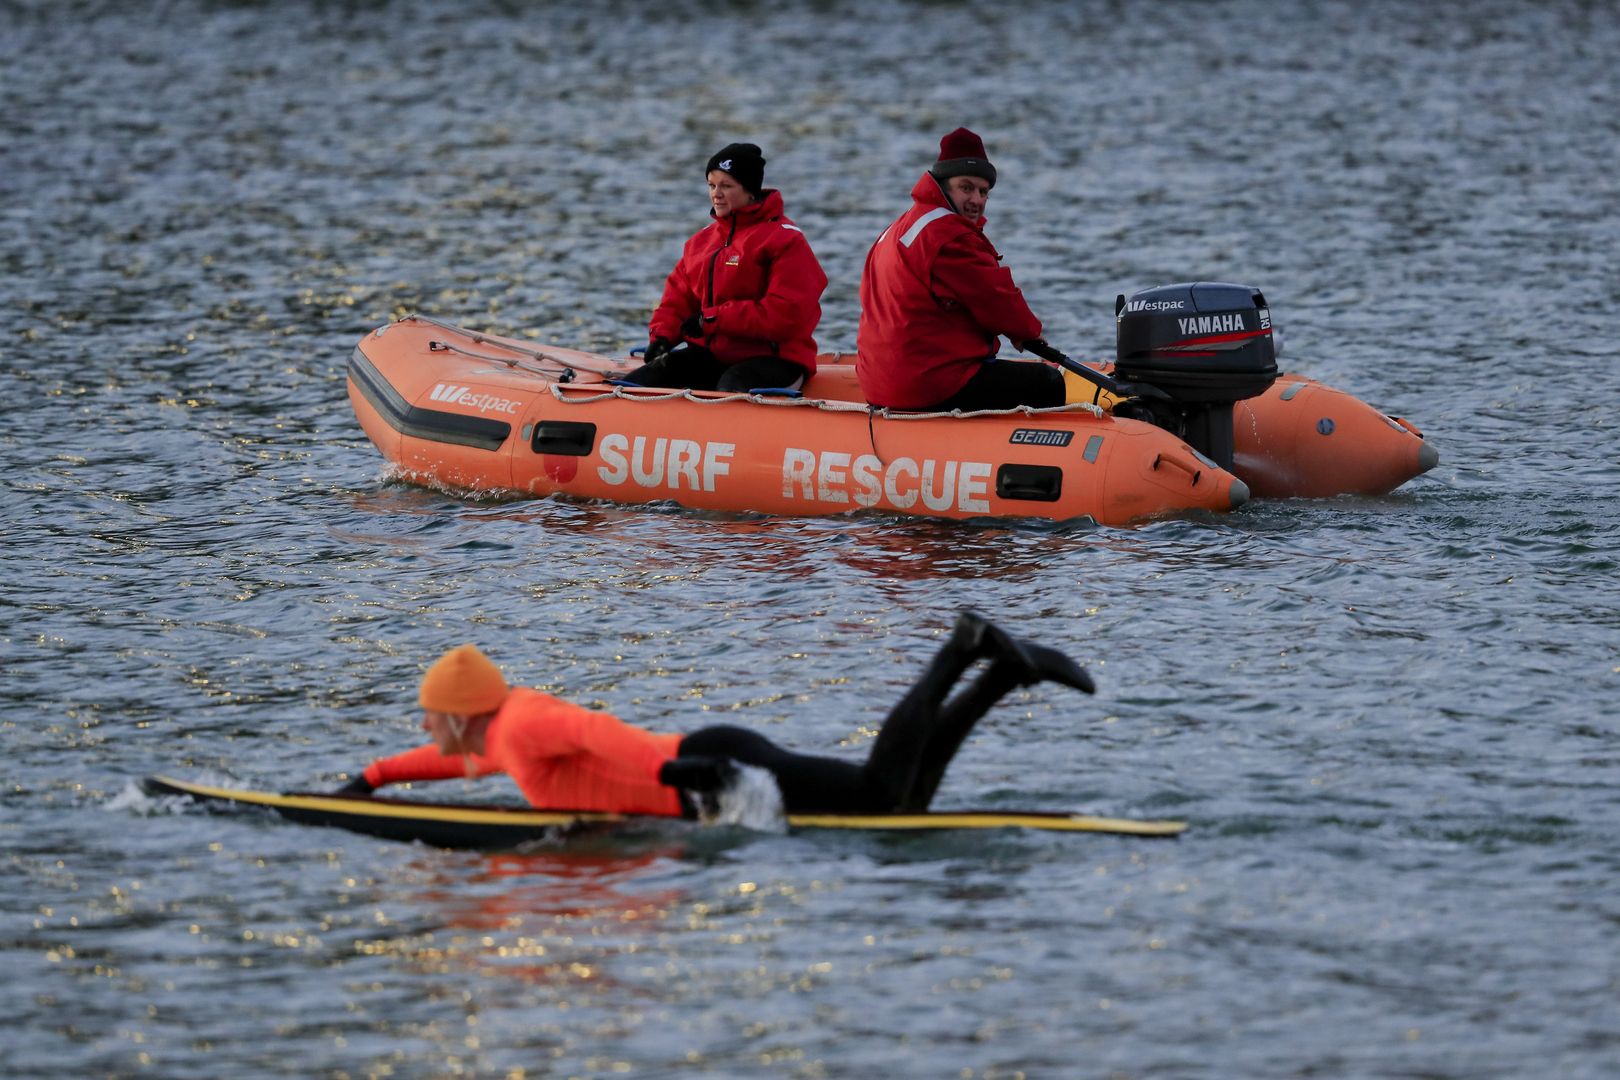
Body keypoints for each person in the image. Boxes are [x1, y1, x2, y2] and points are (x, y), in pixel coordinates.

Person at [336, 612, 1094, 817]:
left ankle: (962, 650)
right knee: (906, 801)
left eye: (431, 716)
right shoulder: (494, 736)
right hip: (700, 768)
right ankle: (998, 678)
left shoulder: (525, 723)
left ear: (462, 713)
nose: (426, 729)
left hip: (712, 764)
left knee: (876, 791)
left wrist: (675, 770)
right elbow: (445, 763)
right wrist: (369, 780)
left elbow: (604, 736)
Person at [856, 127, 1067, 412]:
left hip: (878, 384)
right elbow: (995, 296)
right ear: (942, 185)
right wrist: (1027, 332)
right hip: (926, 385)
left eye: (983, 192)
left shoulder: (898, 228)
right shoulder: (949, 235)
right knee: (1048, 381)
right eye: (966, 188)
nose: (977, 200)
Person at [621, 142, 828, 394]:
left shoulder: (785, 240)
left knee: (731, 388)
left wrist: (714, 319)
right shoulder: (702, 242)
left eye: (726, 186)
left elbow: (785, 314)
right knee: (639, 383)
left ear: (750, 191)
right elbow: (677, 300)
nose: (716, 193)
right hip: (713, 356)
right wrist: (663, 337)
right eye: (711, 185)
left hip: (775, 360)